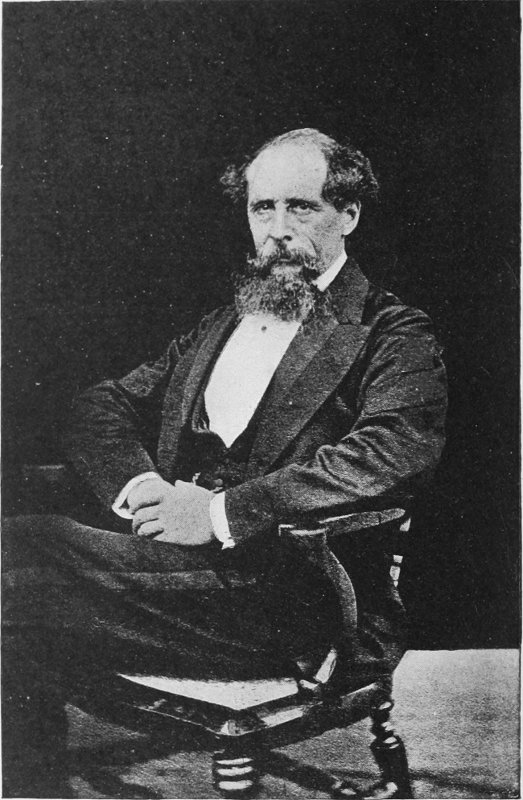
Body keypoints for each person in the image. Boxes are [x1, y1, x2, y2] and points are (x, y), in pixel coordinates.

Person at [3, 128, 447, 796]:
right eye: (262, 207)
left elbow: (389, 452)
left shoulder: (393, 331)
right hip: (181, 574)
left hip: (294, 593)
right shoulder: (224, 322)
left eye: (300, 207)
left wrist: (218, 513)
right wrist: (140, 485)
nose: (277, 229)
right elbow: (102, 404)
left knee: (19, 555)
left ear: (348, 214)